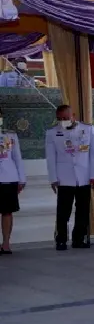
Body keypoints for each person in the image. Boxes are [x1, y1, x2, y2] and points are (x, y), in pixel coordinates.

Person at [46, 104, 94, 250]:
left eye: (66, 117)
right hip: (64, 177)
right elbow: (51, 157)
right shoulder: (52, 133)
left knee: (83, 210)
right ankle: (61, 239)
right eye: (60, 118)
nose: (63, 121)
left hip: (84, 176)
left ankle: (79, 238)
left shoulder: (88, 129)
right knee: (63, 211)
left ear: (73, 116)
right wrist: (53, 178)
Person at [0, 108, 23, 253]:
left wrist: (22, 179)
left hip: (8, 178)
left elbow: (17, 158)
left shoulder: (10, 135)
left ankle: (6, 243)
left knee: (7, 212)